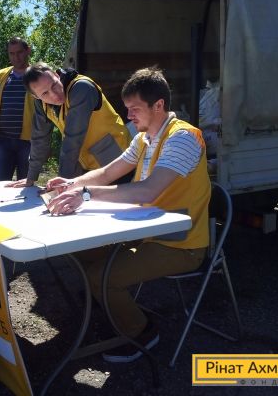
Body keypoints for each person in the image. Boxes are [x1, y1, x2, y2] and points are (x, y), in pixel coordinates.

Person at [44, 67, 210, 363]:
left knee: (100, 277)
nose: (129, 115)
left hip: (180, 244)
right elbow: (109, 172)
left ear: (158, 105)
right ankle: (110, 304)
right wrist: (71, 183)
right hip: (147, 233)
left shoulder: (183, 137)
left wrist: (85, 194)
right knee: (81, 251)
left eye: (135, 109)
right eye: (127, 108)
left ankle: (141, 333)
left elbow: (147, 191)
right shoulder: (144, 138)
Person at [9, 62, 131, 187]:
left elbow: (73, 139)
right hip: (86, 164)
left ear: (57, 75)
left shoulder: (82, 88)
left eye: (54, 85)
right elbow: (39, 138)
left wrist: (62, 182)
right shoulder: (41, 104)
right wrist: (31, 177)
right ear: (36, 96)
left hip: (118, 160)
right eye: (45, 93)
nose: (54, 94)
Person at [0, 37, 35, 181]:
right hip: (2, 141)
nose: (16, 57)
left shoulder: (37, 75)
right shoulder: (1, 75)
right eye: (11, 53)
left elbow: (47, 113)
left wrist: (45, 143)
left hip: (29, 142)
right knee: (0, 185)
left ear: (28, 51)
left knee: (27, 186)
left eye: (19, 52)